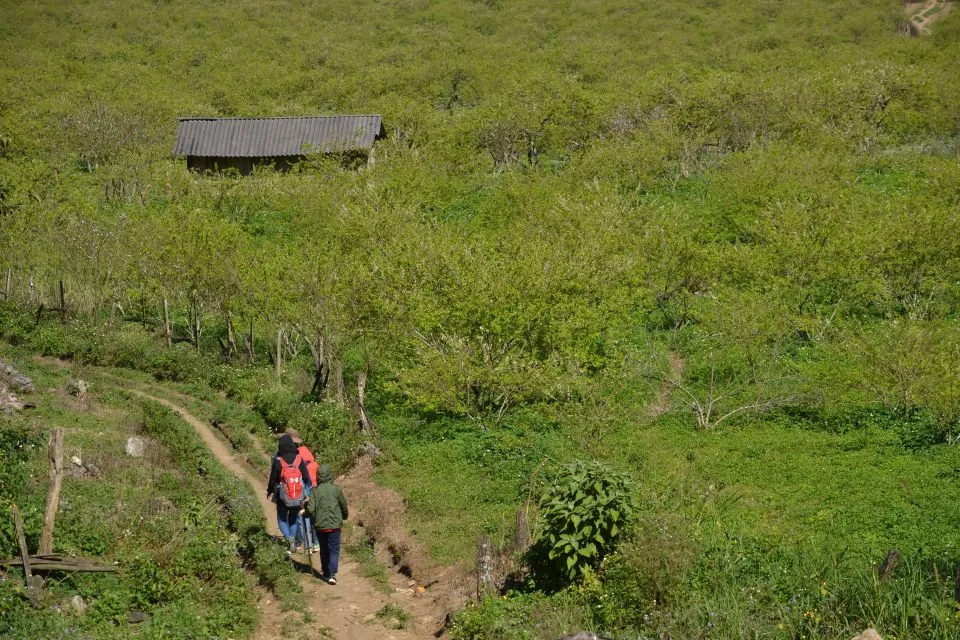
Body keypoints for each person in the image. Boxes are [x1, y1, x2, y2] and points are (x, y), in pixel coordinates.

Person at [266, 434, 312, 553]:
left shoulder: (278, 461)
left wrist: (269, 491)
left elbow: (272, 480)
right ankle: (293, 544)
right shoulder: (299, 459)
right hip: (297, 496)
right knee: (293, 519)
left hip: (282, 497)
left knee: (282, 519)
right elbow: (307, 478)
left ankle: (289, 538)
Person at [304, 463, 348, 584]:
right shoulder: (336, 489)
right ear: (330, 475)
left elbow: (311, 509)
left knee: (324, 550)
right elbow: (343, 505)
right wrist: (345, 515)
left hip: (320, 526)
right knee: (334, 549)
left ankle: (326, 573)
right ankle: (333, 574)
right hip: (335, 526)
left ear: (318, 475)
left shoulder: (314, 491)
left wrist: (305, 513)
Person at [285, 428, 320, 552]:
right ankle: (316, 543)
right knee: (312, 515)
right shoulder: (306, 450)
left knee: (300, 515)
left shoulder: (293, 455)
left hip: (301, 487)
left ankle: (304, 543)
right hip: (314, 486)